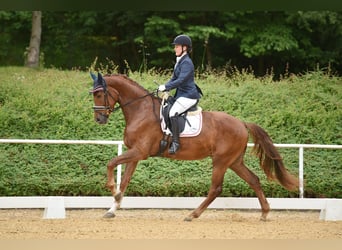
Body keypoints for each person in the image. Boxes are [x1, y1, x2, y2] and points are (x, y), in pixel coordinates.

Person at [158, 34, 202, 154]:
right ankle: (167, 134)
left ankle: (176, 143)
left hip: (189, 96)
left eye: (177, 46)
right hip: (182, 95)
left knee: (173, 113)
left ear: (185, 48)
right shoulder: (180, 61)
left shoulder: (187, 62)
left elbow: (181, 80)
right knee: (166, 107)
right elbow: (173, 79)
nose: (175, 49)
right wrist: (164, 87)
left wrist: (167, 86)